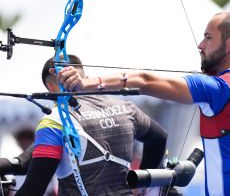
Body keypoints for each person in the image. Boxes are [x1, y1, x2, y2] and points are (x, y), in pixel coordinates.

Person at [54, 12, 230, 195]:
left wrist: (87, 84)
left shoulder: (218, 89)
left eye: (208, 38)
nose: (201, 45)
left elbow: (145, 81)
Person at [0, 55, 167, 196]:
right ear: (85, 77)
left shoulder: (56, 120)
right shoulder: (124, 106)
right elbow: (159, 137)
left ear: (51, 89)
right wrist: (142, 184)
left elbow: (34, 189)